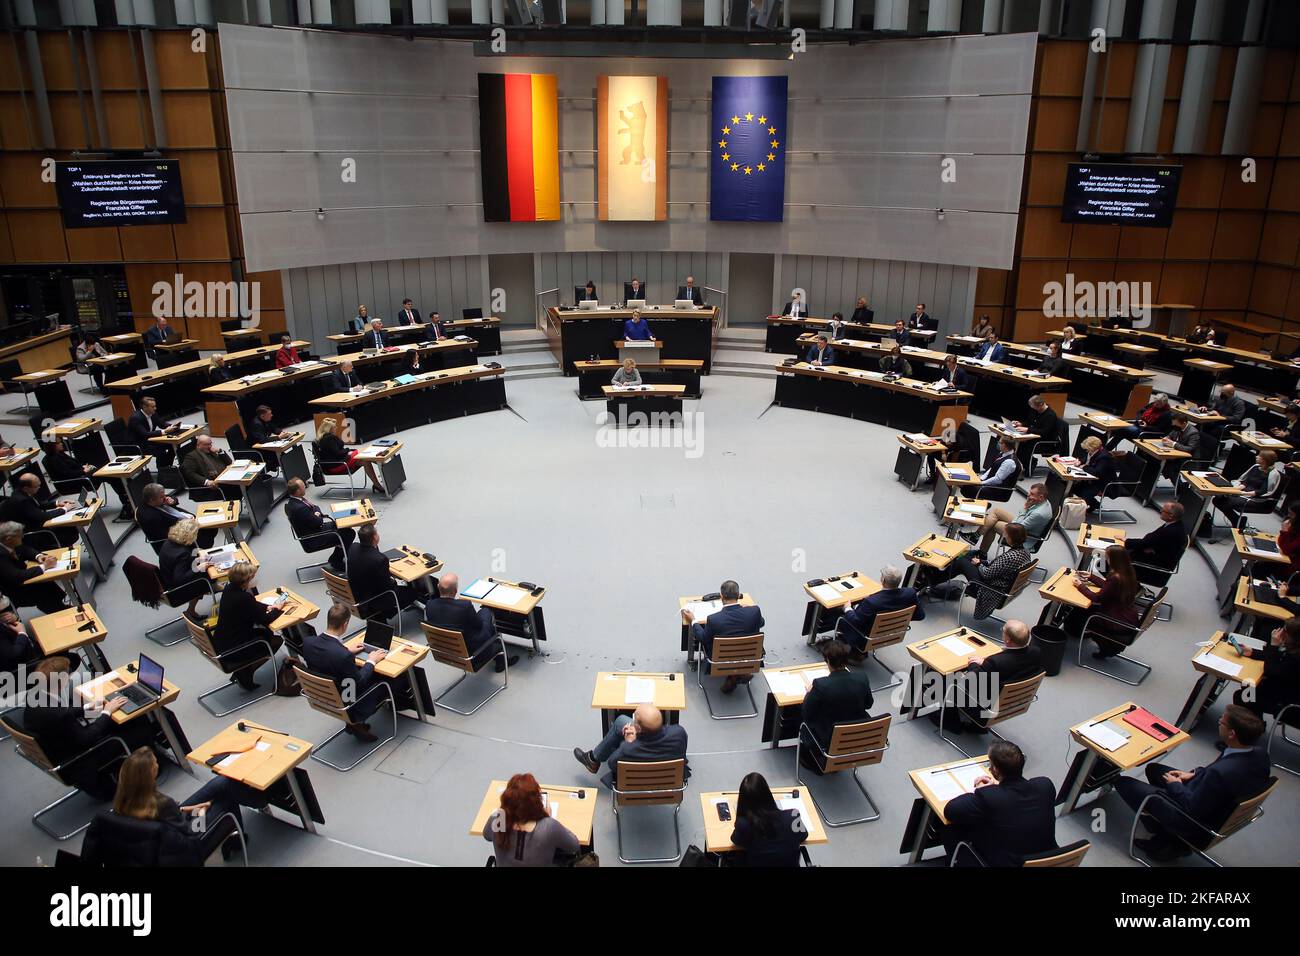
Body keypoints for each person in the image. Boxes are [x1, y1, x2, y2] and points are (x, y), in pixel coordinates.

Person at [1115, 705, 1269, 861]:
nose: (1219, 723)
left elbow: (1192, 808)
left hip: (1194, 822)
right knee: (1153, 769)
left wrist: (1175, 785)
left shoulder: (1221, 773)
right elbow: (1216, 775)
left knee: (1123, 783)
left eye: (1221, 722)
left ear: (1232, 734)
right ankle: (1162, 826)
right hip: (1216, 806)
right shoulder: (1259, 754)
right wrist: (1193, 774)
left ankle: (1165, 841)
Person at [81, 746, 263, 864]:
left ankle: (242, 829)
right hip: (184, 848)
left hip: (165, 834)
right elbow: (190, 839)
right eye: (155, 767)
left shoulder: (120, 805)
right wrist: (199, 814)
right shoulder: (163, 804)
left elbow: (157, 820)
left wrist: (183, 810)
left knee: (221, 784)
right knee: (226, 797)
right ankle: (256, 807)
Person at [22, 657, 162, 801]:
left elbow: (63, 715)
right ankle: (154, 768)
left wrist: (88, 706)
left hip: (59, 752)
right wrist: (107, 712)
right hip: (81, 759)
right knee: (141, 728)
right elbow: (87, 738)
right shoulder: (59, 715)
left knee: (118, 720)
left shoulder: (35, 697)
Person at [941, 739, 1057, 866]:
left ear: (995, 770)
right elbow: (1015, 801)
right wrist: (996, 789)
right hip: (1047, 859)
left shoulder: (988, 796)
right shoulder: (1045, 785)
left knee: (950, 827)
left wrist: (983, 791)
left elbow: (950, 810)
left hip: (1008, 863)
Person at [300, 602, 389, 741]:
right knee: (387, 680)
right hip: (347, 701)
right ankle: (357, 721)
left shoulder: (308, 643)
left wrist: (346, 650)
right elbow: (359, 682)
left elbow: (326, 658)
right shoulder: (343, 656)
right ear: (345, 624)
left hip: (323, 695)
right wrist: (371, 660)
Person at [926, 523, 1032, 620]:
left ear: (1011, 538)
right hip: (1000, 587)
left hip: (988, 590)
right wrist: (981, 561)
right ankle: (936, 577)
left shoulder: (1010, 556)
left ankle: (933, 579)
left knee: (962, 562)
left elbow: (986, 574)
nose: (1003, 535)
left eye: (1005, 534)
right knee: (968, 557)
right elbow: (1000, 566)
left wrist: (978, 564)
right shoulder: (1025, 552)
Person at [572, 703, 689, 788]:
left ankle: (593, 759)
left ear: (637, 728)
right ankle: (592, 759)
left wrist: (630, 742)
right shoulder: (679, 733)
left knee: (621, 721)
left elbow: (612, 764)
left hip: (635, 782)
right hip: (668, 780)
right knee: (621, 720)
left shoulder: (628, 749)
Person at [956, 620, 1045, 726]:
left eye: (1003, 630)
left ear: (1008, 639)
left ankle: (949, 722)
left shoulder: (996, 662)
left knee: (945, 679)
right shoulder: (1036, 652)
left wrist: (974, 663)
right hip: (1013, 703)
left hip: (984, 708)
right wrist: (985, 664)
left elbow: (971, 682)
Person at [483, 772, 582, 867]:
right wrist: (548, 818)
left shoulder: (498, 818)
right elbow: (574, 846)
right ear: (536, 802)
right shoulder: (549, 826)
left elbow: (487, 835)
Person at [681, 580, 764, 692]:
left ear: (721, 596)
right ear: (738, 595)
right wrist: (748, 608)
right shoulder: (755, 611)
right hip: (749, 658)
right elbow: (761, 623)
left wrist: (693, 620)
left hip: (719, 661)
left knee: (708, 636)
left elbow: (702, 638)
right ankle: (738, 673)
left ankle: (735, 675)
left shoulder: (714, 619)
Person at [424, 572, 517, 671]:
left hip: (447, 653)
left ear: (438, 587)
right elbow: (479, 625)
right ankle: (501, 659)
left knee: (481, 617)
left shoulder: (429, 605)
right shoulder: (464, 606)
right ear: (455, 590)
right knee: (486, 612)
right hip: (472, 654)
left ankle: (500, 658)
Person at [212, 561, 283, 690]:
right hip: (235, 648)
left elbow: (252, 606)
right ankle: (244, 673)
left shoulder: (229, 589)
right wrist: (278, 609)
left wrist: (268, 606)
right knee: (275, 640)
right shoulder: (243, 597)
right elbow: (265, 620)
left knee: (265, 633)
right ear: (246, 580)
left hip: (221, 642)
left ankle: (243, 671)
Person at [799, 640, 873, 763]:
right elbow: (868, 704)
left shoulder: (820, 685)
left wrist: (809, 693)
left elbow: (806, 714)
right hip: (858, 735)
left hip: (830, 738)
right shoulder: (862, 678)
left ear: (827, 660)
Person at [1068, 545, 1141, 656]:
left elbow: (1097, 598)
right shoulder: (1128, 572)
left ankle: (1104, 644)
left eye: (1107, 558)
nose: (1106, 560)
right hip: (1127, 616)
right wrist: (1091, 577)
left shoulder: (1115, 577)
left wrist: (1080, 586)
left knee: (1080, 611)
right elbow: (1109, 587)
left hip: (1114, 620)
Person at [838, 566, 924, 655]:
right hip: (892, 635)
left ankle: (848, 650)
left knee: (843, 618)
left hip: (866, 637)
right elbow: (920, 615)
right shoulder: (910, 593)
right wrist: (898, 619)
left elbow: (855, 621)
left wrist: (847, 608)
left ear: (883, 580)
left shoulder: (871, 602)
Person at [346, 523, 424, 620]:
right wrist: (395, 579)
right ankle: (388, 613)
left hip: (356, 594)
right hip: (373, 599)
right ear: (375, 537)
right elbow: (388, 587)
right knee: (412, 592)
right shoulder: (380, 559)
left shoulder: (353, 547)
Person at [729, 772, 807, 867]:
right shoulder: (793, 816)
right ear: (768, 794)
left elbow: (736, 840)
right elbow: (803, 836)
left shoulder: (744, 825)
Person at [284, 478, 353, 572]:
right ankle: (337, 561)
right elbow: (318, 522)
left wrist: (316, 514)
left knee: (344, 525)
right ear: (297, 491)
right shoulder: (300, 508)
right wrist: (317, 515)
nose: (305, 486)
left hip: (314, 529)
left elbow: (315, 507)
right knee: (349, 533)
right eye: (303, 486)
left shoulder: (296, 501)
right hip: (313, 538)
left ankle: (335, 557)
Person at [0, 520, 67, 614]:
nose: (22, 537)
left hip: (20, 581)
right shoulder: (1, 555)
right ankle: (60, 611)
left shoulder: (7, 543)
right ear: (9, 538)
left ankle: (60, 608)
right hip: (12, 591)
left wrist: (39, 556)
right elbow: (17, 576)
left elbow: (24, 549)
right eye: (19, 536)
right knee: (42, 588)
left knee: (45, 582)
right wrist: (44, 566)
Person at [0, 472, 78, 547]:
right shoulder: (22, 501)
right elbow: (42, 516)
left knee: (68, 526)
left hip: (35, 526)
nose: (39, 487)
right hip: (35, 534)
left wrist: (56, 504)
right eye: (37, 486)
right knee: (69, 530)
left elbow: (38, 504)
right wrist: (64, 509)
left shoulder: (19, 492)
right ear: (26, 488)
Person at [157, 518, 212, 617]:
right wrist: (199, 567)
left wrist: (198, 556)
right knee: (208, 575)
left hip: (168, 580)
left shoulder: (169, 542)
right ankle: (216, 587)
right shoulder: (182, 554)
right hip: (178, 589)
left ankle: (191, 610)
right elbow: (180, 579)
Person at [138, 482, 215, 551]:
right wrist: (189, 525)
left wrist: (172, 501)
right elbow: (168, 535)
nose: (165, 497)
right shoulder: (150, 517)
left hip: (188, 521)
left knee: (212, 524)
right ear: (152, 500)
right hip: (180, 536)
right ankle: (201, 553)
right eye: (162, 497)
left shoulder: (156, 498)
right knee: (210, 530)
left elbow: (173, 498)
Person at [1124, 501, 1188, 585]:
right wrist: (1151, 547)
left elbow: (1145, 542)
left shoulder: (1170, 531)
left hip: (1151, 568)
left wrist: (1126, 541)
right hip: (1154, 557)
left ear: (1171, 516)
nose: (1160, 511)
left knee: (1112, 556)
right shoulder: (1176, 525)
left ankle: (1109, 585)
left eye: (1163, 510)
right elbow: (1150, 539)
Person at [977, 482, 1052, 553]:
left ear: (1041, 497)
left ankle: (982, 553)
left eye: (1032, 494)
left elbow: (1018, 527)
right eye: (1030, 492)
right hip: (1023, 523)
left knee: (994, 525)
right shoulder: (1045, 501)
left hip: (1023, 536)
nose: (1028, 495)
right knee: (996, 511)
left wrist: (1025, 508)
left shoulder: (1038, 514)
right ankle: (976, 535)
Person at [1214, 450, 1280, 527]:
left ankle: (1237, 521)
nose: (1256, 456)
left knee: (1228, 502)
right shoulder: (1255, 468)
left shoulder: (1272, 474)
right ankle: (1237, 520)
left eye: (1259, 456)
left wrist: (1242, 493)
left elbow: (1262, 491)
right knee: (1217, 498)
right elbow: (1246, 483)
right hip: (1244, 493)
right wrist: (1235, 490)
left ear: (1265, 460)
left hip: (1256, 498)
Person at [317, 417, 381, 492]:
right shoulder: (329, 439)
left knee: (365, 460)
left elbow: (336, 452)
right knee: (363, 452)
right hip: (336, 465)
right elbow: (338, 453)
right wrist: (348, 450)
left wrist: (348, 451)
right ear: (329, 429)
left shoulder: (325, 438)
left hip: (339, 461)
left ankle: (377, 485)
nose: (336, 428)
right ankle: (383, 466)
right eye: (334, 427)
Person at [127, 396, 180, 467]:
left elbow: (162, 424)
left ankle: (167, 467)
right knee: (161, 452)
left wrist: (173, 426)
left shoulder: (153, 413)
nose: (155, 408)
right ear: (144, 407)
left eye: (155, 406)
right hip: (141, 445)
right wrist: (164, 431)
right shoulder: (136, 418)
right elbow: (145, 434)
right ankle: (163, 470)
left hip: (150, 441)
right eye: (153, 407)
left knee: (173, 444)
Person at [180, 434, 236, 500]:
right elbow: (189, 473)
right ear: (198, 445)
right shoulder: (192, 457)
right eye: (206, 444)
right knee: (237, 488)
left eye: (210, 444)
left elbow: (229, 462)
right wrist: (206, 482)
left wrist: (220, 451)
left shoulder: (212, 451)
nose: (210, 446)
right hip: (212, 486)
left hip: (225, 477)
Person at [0, 597, 43, 673]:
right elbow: (13, 654)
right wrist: (22, 633)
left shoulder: (2, 614)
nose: (4, 599)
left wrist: (14, 618)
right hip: (27, 666)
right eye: (0, 598)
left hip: (31, 647)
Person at [1077, 435, 1116, 512]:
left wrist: (1084, 467)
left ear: (1093, 449)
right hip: (1095, 481)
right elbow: (1087, 458)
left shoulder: (1104, 457)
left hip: (1104, 484)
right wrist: (1080, 461)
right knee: (1074, 486)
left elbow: (1096, 472)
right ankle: (1094, 504)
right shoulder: (1096, 452)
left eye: (1088, 450)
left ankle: (1090, 506)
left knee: (1083, 490)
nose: (1087, 452)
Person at [1277, 504, 1300, 577]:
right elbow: (1280, 543)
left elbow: (1286, 549)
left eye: (1291, 514)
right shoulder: (1295, 525)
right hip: (1288, 559)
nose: (1288, 516)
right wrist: (1285, 532)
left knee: (1260, 567)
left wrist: (1284, 531)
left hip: (1293, 567)